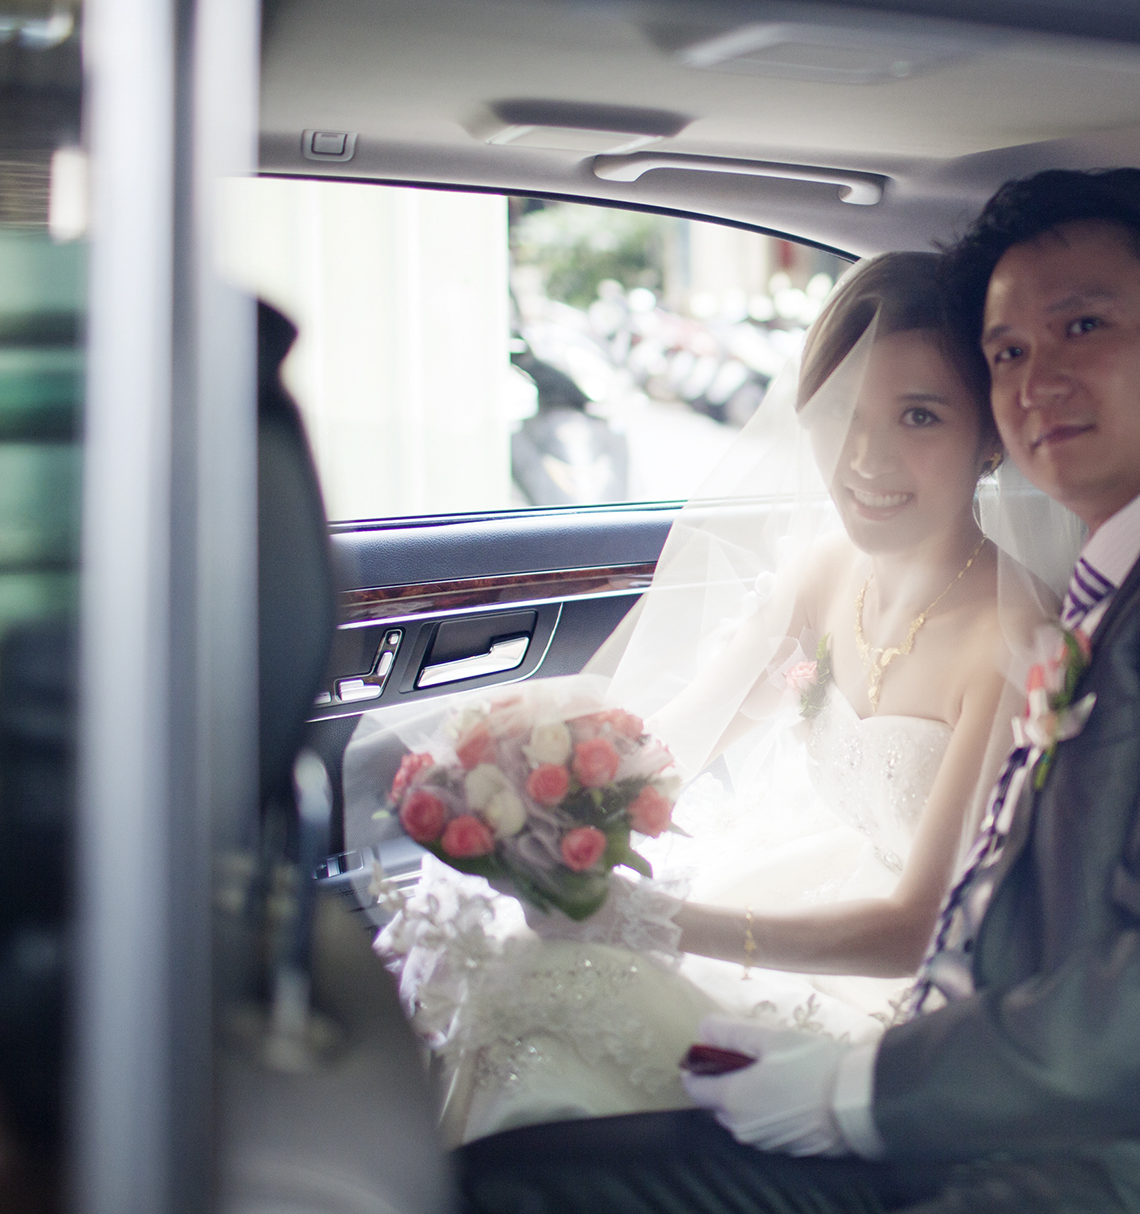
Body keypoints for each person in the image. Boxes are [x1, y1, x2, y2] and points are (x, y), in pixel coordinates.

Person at [457, 168, 1140, 1214]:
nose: (1037, 380)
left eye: (1083, 327)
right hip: (1014, 1069)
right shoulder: (1130, 570)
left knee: (531, 1171)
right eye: (1009, 351)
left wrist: (851, 1089)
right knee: (523, 1135)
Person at [367, 252, 1066, 1143]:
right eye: (842, 413)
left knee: (555, 1018)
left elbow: (916, 928)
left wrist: (656, 922)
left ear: (991, 436)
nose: (865, 457)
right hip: (807, 887)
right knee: (518, 967)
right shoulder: (828, 572)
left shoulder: (1008, 644)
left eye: (918, 416)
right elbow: (673, 744)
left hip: (907, 987)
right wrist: (537, 792)